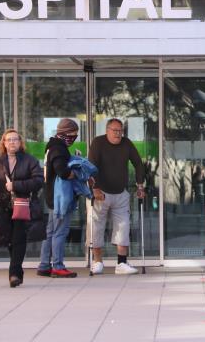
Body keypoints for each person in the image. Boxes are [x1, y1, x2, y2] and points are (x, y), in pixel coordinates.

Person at [0, 129, 43, 288]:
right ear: (4, 144)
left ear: (20, 143)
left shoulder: (30, 160)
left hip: (22, 205)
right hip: (3, 207)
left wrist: (16, 185)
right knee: (8, 240)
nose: (12, 142)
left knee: (18, 239)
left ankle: (13, 274)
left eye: (15, 139)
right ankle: (17, 271)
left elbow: (38, 180)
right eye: (9, 140)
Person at [88, 118, 145, 275]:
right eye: (115, 130)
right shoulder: (98, 143)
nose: (118, 134)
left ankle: (121, 263)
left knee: (123, 227)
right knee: (97, 227)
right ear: (107, 130)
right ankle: (97, 261)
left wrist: (140, 185)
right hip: (101, 193)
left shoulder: (126, 144)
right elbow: (90, 167)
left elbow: (138, 163)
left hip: (120, 192)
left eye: (120, 131)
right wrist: (95, 188)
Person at [37, 118, 81, 278]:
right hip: (60, 199)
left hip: (51, 196)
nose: (73, 138)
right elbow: (62, 172)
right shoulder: (59, 149)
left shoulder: (51, 147)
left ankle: (43, 265)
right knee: (59, 232)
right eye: (72, 134)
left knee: (50, 232)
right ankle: (57, 265)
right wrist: (77, 173)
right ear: (64, 133)